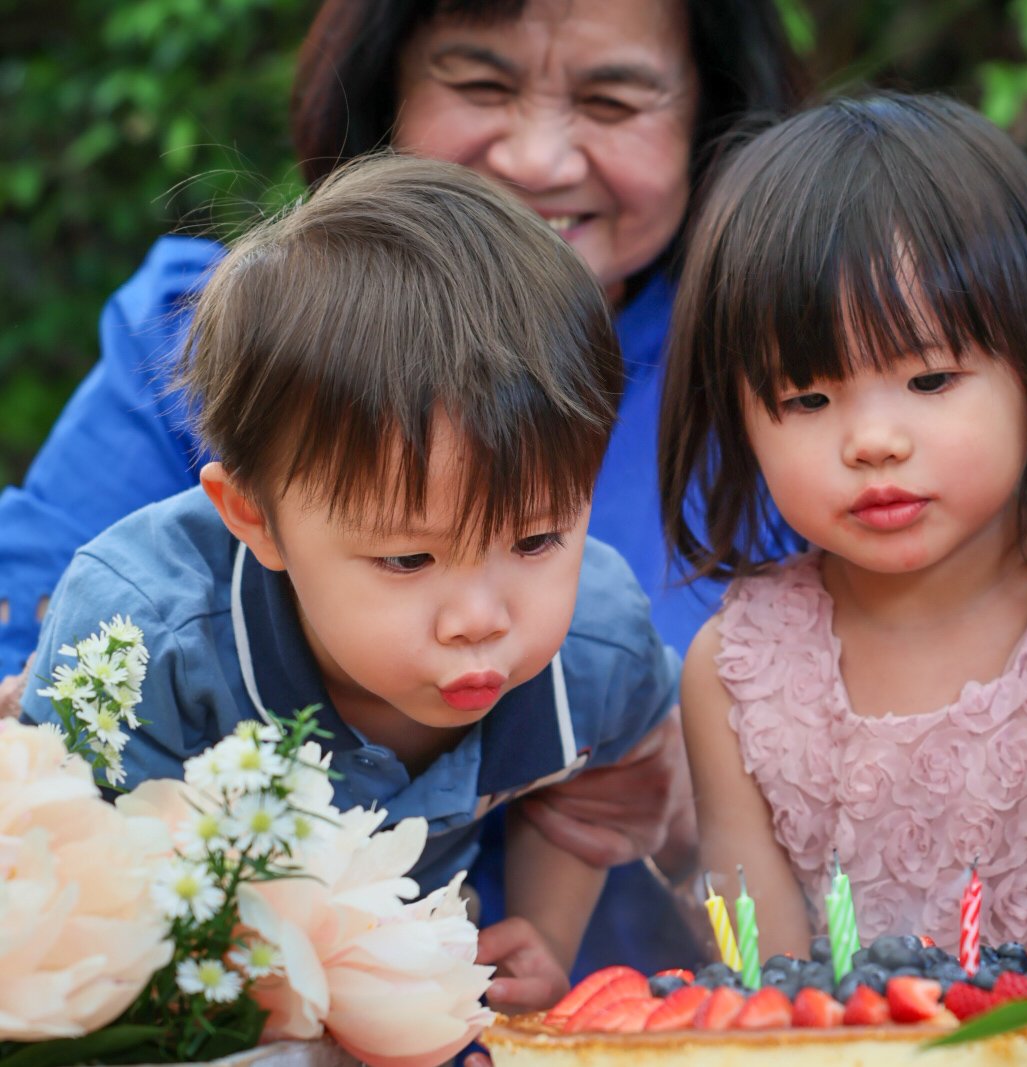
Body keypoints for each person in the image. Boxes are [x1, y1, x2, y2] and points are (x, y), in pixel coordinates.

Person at [0, 0, 806, 975]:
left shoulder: (801, 373)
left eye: (611, 99)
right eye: (480, 84)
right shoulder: (216, 366)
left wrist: (686, 802)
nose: (541, 158)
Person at [20, 155, 676, 1013]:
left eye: (537, 537)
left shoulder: (594, 638)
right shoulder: (147, 646)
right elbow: (64, 900)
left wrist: (546, 933)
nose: (480, 619)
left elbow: (606, 776)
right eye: (408, 560)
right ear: (253, 516)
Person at [658, 93, 1027, 963]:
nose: (872, 441)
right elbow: (760, 992)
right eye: (808, 398)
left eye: (931, 380)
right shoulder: (734, 675)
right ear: (739, 418)